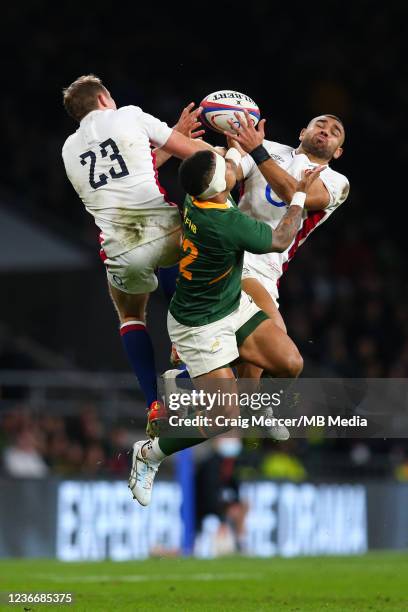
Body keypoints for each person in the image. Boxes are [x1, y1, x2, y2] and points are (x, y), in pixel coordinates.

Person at [129, 145, 324, 506]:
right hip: (200, 327)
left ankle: (196, 385)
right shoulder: (225, 223)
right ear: (220, 185)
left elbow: (228, 168)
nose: (228, 167)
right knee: (224, 418)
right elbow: (281, 238)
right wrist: (298, 192)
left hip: (230, 305)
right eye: (224, 168)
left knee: (290, 363)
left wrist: (241, 143)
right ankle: (150, 453)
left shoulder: (199, 197)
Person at [61, 75, 215, 437]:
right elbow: (194, 154)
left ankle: (154, 404)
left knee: (130, 313)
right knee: (200, 273)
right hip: (165, 232)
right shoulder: (129, 114)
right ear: (103, 98)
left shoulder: (68, 149)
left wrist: (171, 134)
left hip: (120, 248)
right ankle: (185, 363)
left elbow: (129, 169)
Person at [227, 111, 350, 382]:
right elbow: (231, 175)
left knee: (255, 369)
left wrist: (255, 150)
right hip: (237, 254)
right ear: (301, 133)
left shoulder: (337, 182)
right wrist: (231, 152)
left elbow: (297, 194)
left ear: (338, 152)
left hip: (270, 272)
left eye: (335, 131)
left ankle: (238, 413)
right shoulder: (267, 147)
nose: (326, 130)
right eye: (320, 124)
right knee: (283, 355)